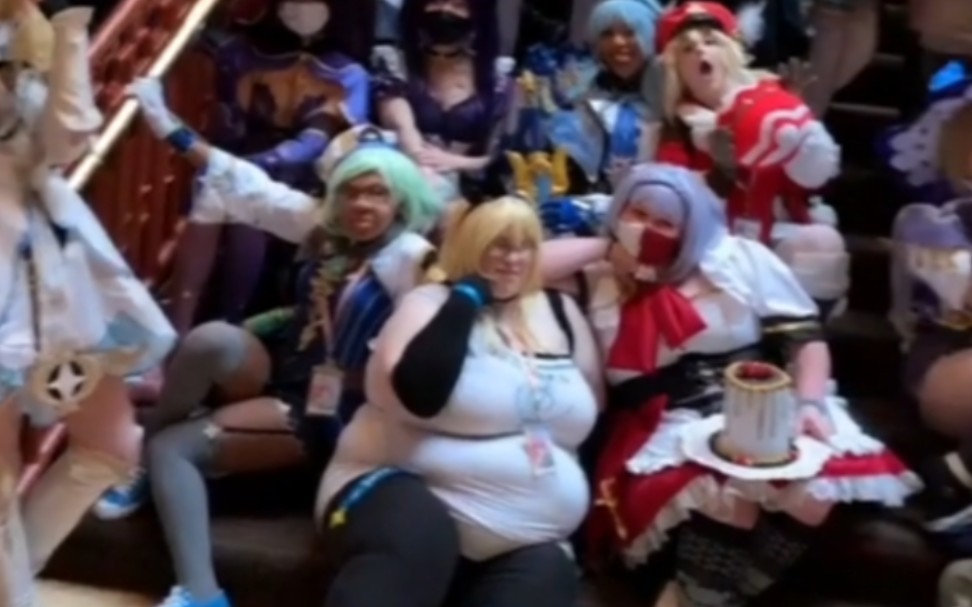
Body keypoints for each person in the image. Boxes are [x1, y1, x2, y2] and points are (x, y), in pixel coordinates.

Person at [97, 77, 442, 607]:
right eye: (351, 190)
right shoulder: (323, 228)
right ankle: (146, 463)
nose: (362, 203)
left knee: (173, 448)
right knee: (210, 340)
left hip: (331, 411)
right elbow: (247, 185)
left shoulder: (411, 259)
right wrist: (167, 126)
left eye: (377, 192)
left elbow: (437, 328)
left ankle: (201, 594)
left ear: (400, 199)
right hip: (284, 369)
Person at [541, 163, 918, 607]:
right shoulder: (596, 275)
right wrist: (608, 246)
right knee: (729, 498)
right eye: (637, 214)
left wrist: (811, 402)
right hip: (663, 418)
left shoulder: (736, 259)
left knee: (812, 496)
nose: (648, 229)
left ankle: (712, 597)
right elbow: (521, 267)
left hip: (760, 399)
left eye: (665, 223)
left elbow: (804, 339)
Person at [315, 188, 602, 607]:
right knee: (419, 536)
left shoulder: (562, 312)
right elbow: (419, 394)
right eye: (498, 244)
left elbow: (589, 414)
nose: (513, 258)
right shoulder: (427, 303)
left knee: (546, 579)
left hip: (527, 534)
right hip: (398, 488)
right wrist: (466, 298)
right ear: (472, 245)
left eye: (525, 246)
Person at [0, 4, 176, 606]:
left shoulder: (24, 54)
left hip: (64, 281)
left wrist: (71, 31)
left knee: (112, 446)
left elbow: (68, 137)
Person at [166, 0, 372, 334]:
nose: (299, 8)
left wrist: (255, 164)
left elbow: (315, 142)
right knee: (224, 188)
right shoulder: (241, 54)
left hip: (304, 175)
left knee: (243, 198)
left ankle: (230, 318)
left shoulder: (349, 74)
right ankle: (182, 324)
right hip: (241, 158)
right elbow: (228, 123)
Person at [651, 1, 849, 319]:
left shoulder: (771, 103)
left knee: (821, 243)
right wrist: (720, 175)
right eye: (687, 49)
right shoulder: (677, 130)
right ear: (677, 69)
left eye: (711, 42)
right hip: (715, 248)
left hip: (771, 231)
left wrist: (798, 135)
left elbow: (809, 182)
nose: (700, 51)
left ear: (730, 51)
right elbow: (671, 207)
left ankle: (802, 333)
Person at [372, 0, 514, 188]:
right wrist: (422, 162)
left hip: (474, 190)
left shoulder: (496, 78)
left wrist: (456, 162)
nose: (445, 10)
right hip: (406, 179)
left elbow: (501, 156)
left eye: (459, 5)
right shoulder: (395, 62)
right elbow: (400, 124)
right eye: (436, 2)